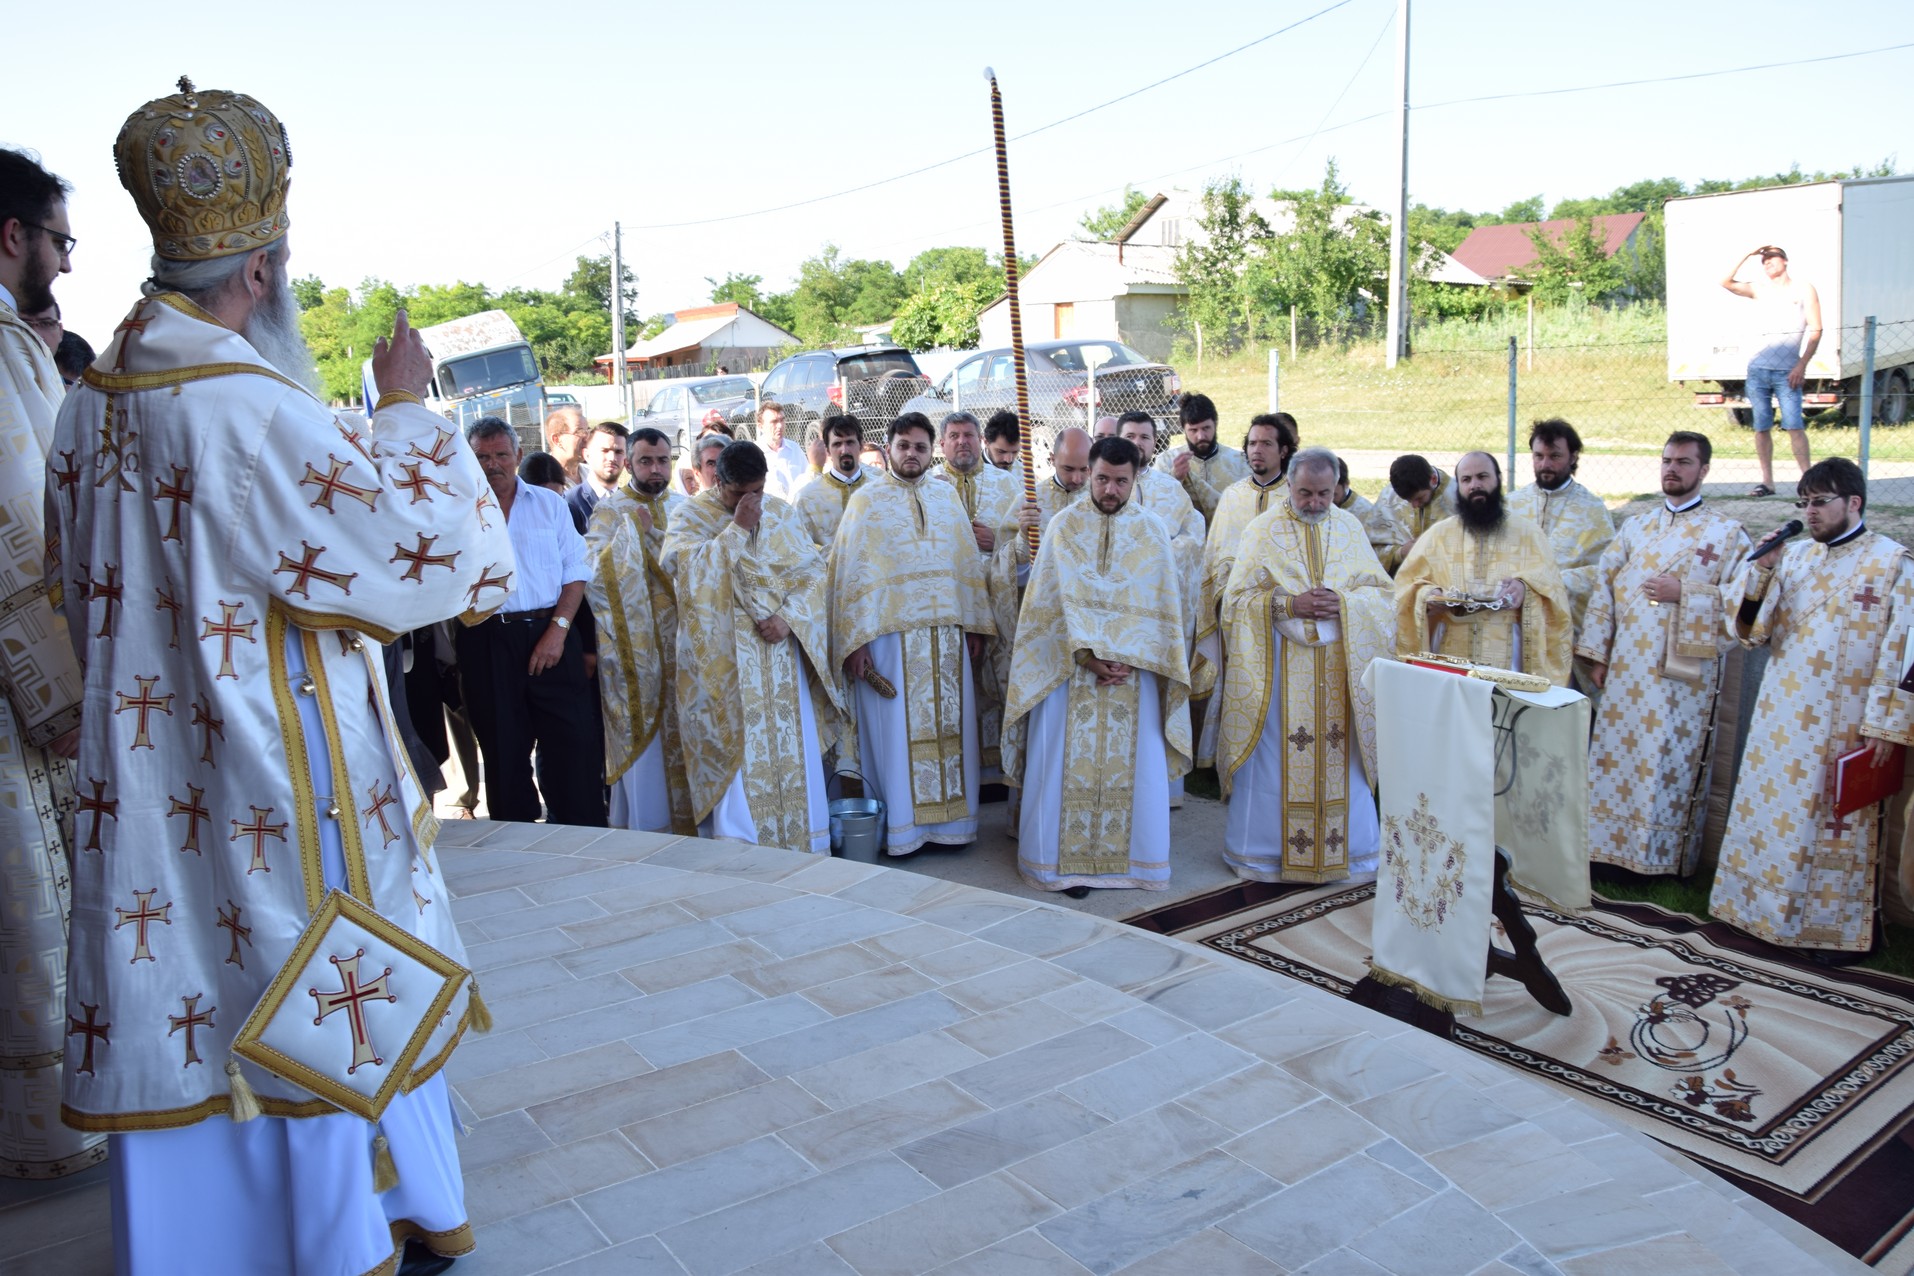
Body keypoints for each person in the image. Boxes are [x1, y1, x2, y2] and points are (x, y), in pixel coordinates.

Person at [49, 81, 514, 1273]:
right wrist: (406, 407)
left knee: (187, 983)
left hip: (152, 777)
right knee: (297, 962)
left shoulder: (86, 404)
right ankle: (339, 1227)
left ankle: (210, 1241)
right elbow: (412, 563)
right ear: (258, 273)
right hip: (269, 772)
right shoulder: (242, 403)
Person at [0, 146, 105, 1183]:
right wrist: (60, 694)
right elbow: (23, 536)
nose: (62, 267)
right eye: (59, 241)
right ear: (12, 235)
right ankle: (45, 1128)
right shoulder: (2, 349)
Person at [1711, 458, 1913, 961]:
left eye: (1820, 502)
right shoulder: (1795, 557)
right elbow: (1750, 632)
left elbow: (1903, 647)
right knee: (1774, 823)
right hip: (1781, 720)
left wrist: (1885, 725)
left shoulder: (1892, 563)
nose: (1811, 512)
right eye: (1804, 502)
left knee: (1836, 830)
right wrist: (1761, 569)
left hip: (1846, 724)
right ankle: (1758, 916)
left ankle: (1833, 934)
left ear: (1854, 503)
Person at [1004, 436, 1191, 893]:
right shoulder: (1063, 528)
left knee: (1134, 771)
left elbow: (1164, 613)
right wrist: (1087, 655)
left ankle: (1132, 865)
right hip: (1069, 675)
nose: (1110, 489)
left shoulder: (1152, 531)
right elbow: (1045, 610)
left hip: (1134, 677)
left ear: (1136, 479)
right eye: (1102, 478)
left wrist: (1127, 655)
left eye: (1121, 481)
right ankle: (1056, 865)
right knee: (1063, 765)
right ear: (1089, 473)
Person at [1215, 449, 1395, 883]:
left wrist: (1347, 604)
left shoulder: (1350, 527)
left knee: (1341, 757)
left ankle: (1350, 852)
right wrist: (1289, 603)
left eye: (1324, 494)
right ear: (1289, 487)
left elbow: (1383, 596)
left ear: (1336, 489)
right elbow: (1234, 603)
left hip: (1338, 671)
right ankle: (1263, 853)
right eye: (1305, 493)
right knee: (1275, 758)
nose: (1314, 503)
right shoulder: (1263, 531)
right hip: (1278, 671)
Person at [1578, 432, 1750, 878]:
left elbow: (1742, 604)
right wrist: (1600, 654)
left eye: (1685, 462)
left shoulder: (1727, 535)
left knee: (1666, 762)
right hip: (1627, 671)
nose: (1672, 469)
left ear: (1704, 471)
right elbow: (1605, 589)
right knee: (1619, 759)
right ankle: (1605, 854)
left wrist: (1686, 593)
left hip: (1682, 678)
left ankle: (1656, 863)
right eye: (1667, 460)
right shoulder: (1635, 527)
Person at [661, 441, 844, 850]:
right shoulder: (689, 514)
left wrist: (788, 618)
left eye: (756, 492)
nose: (750, 502)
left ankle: (802, 842)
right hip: (725, 663)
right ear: (716, 480)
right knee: (738, 755)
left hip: (779, 655)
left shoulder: (780, 510)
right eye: (738, 494)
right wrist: (737, 529)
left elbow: (813, 574)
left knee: (789, 748)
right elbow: (680, 571)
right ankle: (741, 847)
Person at [829, 412, 995, 853]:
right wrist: (855, 642)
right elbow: (847, 577)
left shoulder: (946, 499)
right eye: (904, 446)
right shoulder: (866, 502)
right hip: (888, 643)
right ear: (888, 448)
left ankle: (954, 827)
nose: (912, 454)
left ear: (931, 451)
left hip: (946, 641)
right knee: (895, 737)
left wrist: (974, 624)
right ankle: (904, 830)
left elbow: (967, 570)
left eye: (921, 447)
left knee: (952, 731)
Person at [459, 418, 606, 826]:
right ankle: (517, 855)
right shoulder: (454, 509)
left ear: (518, 456)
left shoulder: (550, 505)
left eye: (501, 455)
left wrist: (558, 632)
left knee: (573, 751)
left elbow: (576, 572)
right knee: (504, 759)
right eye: (482, 457)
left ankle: (586, 849)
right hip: (487, 639)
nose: (493, 465)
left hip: (552, 634)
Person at [587, 426, 693, 833]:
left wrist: (653, 535)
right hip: (636, 652)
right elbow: (595, 576)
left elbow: (701, 566)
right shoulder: (611, 511)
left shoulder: (686, 508)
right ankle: (647, 830)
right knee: (646, 746)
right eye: (646, 460)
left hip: (683, 645)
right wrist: (635, 532)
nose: (655, 469)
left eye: (663, 460)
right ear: (629, 462)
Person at [1394, 451, 1572, 686]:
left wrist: (1525, 587)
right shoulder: (1438, 535)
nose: (1475, 485)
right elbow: (1404, 588)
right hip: (1450, 655)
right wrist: (1428, 596)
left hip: (1510, 654)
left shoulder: (1528, 534)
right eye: (1466, 480)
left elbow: (1553, 592)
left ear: (1498, 479)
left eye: (1482, 476)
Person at [933, 411, 1024, 779]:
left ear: (981, 440)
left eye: (969, 435)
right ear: (942, 445)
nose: (962, 442)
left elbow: (1026, 542)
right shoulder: (931, 487)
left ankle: (998, 772)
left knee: (998, 682)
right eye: (954, 436)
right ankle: (963, 774)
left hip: (998, 605)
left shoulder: (1007, 485)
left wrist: (997, 539)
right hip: (951, 605)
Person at [1723, 245, 1819, 497]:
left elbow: (1816, 329)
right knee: (1761, 426)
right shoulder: (1759, 288)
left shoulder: (1803, 289)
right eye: (1764, 260)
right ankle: (1767, 482)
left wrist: (1801, 365)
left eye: (1772, 258)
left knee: (1794, 425)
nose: (1768, 263)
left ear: (1785, 261)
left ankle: (1807, 482)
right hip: (1758, 370)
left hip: (1787, 372)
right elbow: (1726, 281)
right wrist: (1745, 253)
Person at [1507, 418, 1614, 634]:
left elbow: (1605, 571)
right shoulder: (1510, 505)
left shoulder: (1592, 510)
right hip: (1513, 622)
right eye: (1539, 456)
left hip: (1564, 624)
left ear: (1573, 456)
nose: (1545, 465)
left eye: (1555, 456)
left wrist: (1547, 583)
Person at [1155, 392, 1250, 523]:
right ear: (1183, 429)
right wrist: (1174, 478)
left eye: (1206, 428)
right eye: (1193, 430)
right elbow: (1154, 505)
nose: (1201, 436)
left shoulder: (1240, 462)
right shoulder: (1166, 462)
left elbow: (1249, 508)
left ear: (1215, 424)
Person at [794, 413, 867, 552]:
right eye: (837, 444)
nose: (844, 450)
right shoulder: (807, 498)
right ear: (827, 450)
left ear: (861, 445)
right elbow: (798, 546)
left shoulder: (881, 486)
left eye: (850, 442)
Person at [1375, 453, 1458, 575]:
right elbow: (1371, 550)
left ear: (1433, 480)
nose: (1413, 505)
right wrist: (1401, 553)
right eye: (1407, 500)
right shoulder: (1389, 496)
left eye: (1419, 498)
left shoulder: (1457, 497)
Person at [1333, 456, 1398, 565]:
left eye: (1334, 495)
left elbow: (1375, 552)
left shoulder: (1366, 512)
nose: (1327, 501)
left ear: (1346, 484)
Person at [567, 421, 628, 529]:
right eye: (604, 450)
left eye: (619, 452)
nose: (612, 458)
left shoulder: (631, 503)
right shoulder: (570, 503)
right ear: (587, 455)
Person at [755, 400, 806, 499]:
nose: (780, 426)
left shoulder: (794, 449)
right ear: (760, 426)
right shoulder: (753, 453)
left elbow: (807, 480)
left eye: (782, 420)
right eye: (774, 422)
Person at [542, 403, 592, 486]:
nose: (587, 438)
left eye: (588, 431)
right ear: (557, 439)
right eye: (579, 432)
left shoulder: (593, 475)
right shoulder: (543, 481)